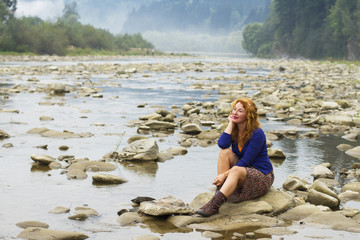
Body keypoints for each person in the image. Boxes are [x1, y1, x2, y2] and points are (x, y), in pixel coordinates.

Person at [196, 98, 274, 217]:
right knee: (224, 152)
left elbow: (246, 162)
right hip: (244, 171)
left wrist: (224, 175)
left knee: (237, 169)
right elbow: (222, 144)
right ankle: (221, 191)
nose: (235, 113)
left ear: (249, 115)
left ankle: (214, 205)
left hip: (261, 175)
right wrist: (231, 123)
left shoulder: (257, 134)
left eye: (240, 111)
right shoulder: (235, 130)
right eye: (234, 109)